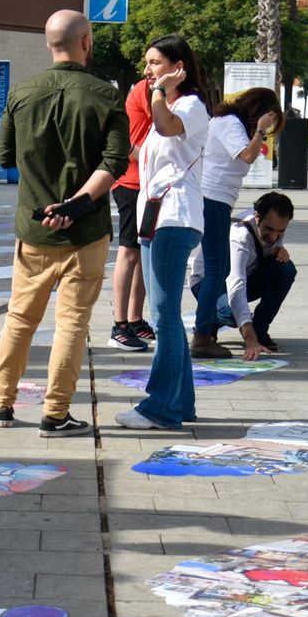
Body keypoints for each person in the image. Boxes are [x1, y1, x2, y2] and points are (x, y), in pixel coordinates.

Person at [0, 10, 128, 438]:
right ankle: (56, 412)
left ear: (48, 44)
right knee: (72, 323)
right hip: (86, 231)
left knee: (20, 318)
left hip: (34, 229)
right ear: (87, 42)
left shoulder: (21, 92)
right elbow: (115, 162)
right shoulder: (106, 95)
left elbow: (5, 158)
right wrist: (79, 202)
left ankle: (1, 403)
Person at [113, 35, 212, 431]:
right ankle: (181, 403)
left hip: (175, 218)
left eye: (155, 63)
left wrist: (157, 91)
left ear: (178, 68)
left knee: (163, 315)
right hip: (157, 218)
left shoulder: (188, 105)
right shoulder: (171, 106)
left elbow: (167, 127)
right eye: (147, 63)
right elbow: (149, 150)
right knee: (165, 314)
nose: (148, 70)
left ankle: (160, 407)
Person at [192, 86, 283, 359]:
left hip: (217, 200)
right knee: (217, 269)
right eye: (267, 119)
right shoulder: (230, 122)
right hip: (213, 200)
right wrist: (259, 131)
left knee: (217, 268)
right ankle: (203, 334)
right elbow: (246, 155)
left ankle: (205, 331)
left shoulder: (229, 123)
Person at [189, 192, 297, 360]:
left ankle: (260, 329)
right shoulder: (240, 236)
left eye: (280, 232)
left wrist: (278, 251)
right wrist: (249, 338)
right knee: (232, 313)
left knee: (285, 269)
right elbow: (236, 284)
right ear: (257, 217)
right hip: (208, 285)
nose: (274, 237)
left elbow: (266, 252)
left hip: (246, 275)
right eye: (269, 230)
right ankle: (208, 320)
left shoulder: (274, 226)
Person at [106, 77, 155, 353]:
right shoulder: (146, 89)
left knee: (140, 250)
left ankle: (135, 320)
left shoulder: (156, 90)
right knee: (129, 251)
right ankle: (120, 325)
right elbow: (132, 145)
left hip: (147, 183)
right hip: (131, 182)